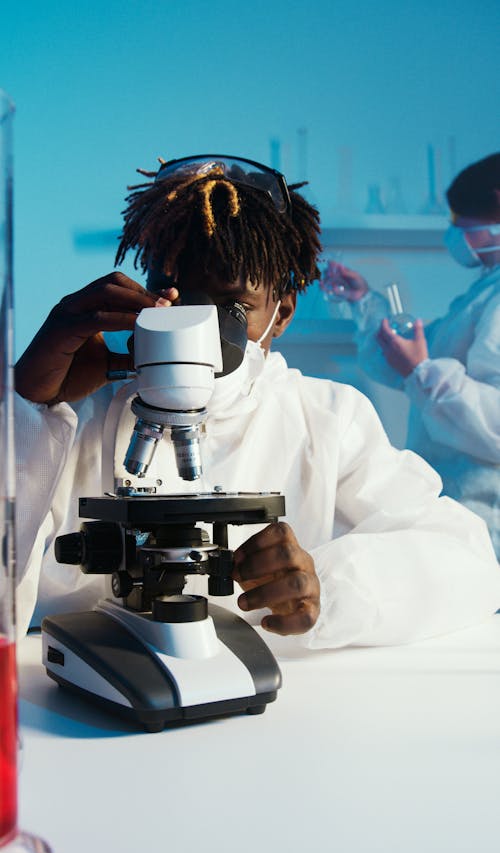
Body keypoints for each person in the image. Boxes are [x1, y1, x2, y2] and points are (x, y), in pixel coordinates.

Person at [13, 154, 500, 650]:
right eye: (172, 296)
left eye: (232, 307)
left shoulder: (327, 418)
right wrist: (25, 410)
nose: (194, 324)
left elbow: (467, 561)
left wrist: (328, 588)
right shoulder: (78, 406)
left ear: (281, 313)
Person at [324, 152, 500, 559]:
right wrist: (365, 302)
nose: (453, 230)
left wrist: (421, 371)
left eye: (459, 219)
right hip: (456, 507)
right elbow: (409, 361)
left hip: (486, 517)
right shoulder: (483, 292)